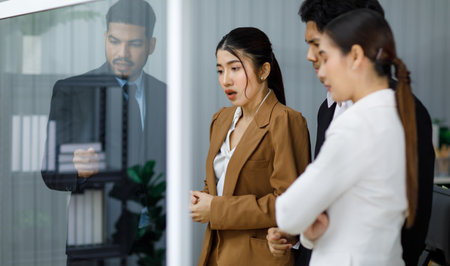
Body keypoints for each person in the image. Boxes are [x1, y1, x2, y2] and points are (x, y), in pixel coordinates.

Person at [267, 1, 435, 265]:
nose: (312, 58)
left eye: (320, 49)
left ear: (354, 46)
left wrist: (299, 218)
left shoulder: (397, 114)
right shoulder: (329, 109)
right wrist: (306, 238)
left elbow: (414, 221)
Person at [41, 0, 166, 264]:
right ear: (104, 37)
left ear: (151, 45)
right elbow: (50, 172)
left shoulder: (168, 97)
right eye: (114, 40)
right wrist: (76, 169)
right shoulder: (72, 91)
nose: (122, 52)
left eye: (134, 44)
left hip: (153, 246)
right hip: (93, 248)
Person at [190, 27, 311, 266]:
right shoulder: (220, 119)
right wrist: (200, 199)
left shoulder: (285, 121)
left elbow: (289, 203)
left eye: (235, 68)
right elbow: (219, 186)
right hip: (215, 254)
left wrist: (214, 209)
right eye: (220, 70)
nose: (226, 80)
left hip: (260, 258)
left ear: (264, 70)